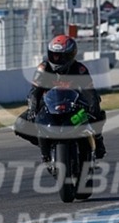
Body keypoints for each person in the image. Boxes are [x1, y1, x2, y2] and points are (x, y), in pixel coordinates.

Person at [14, 34, 107, 162]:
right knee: (20, 124)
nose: (56, 59)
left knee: (97, 114)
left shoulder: (79, 70)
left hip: (74, 105)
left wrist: (93, 106)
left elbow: (90, 93)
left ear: (70, 55)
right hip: (48, 105)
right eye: (53, 55)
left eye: (60, 56)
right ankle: (46, 144)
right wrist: (32, 109)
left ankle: (98, 140)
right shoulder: (43, 68)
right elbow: (35, 91)